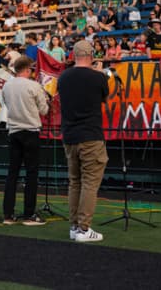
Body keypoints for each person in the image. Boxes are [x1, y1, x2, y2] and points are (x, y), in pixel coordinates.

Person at [57, 40, 109, 242]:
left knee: (75, 182)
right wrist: (100, 72)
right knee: (89, 182)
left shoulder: (64, 77)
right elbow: (105, 99)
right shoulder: (98, 77)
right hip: (90, 136)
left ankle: (74, 226)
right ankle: (83, 228)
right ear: (91, 55)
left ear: (74, 55)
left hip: (69, 135)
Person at [1, 56, 50, 226]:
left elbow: (7, 104)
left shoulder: (7, 86)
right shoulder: (34, 85)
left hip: (14, 131)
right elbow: (44, 111)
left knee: (12, 174)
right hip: (30, 131)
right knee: (31, 174)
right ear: (27, 70)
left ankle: (8, 214)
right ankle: (29, 214)